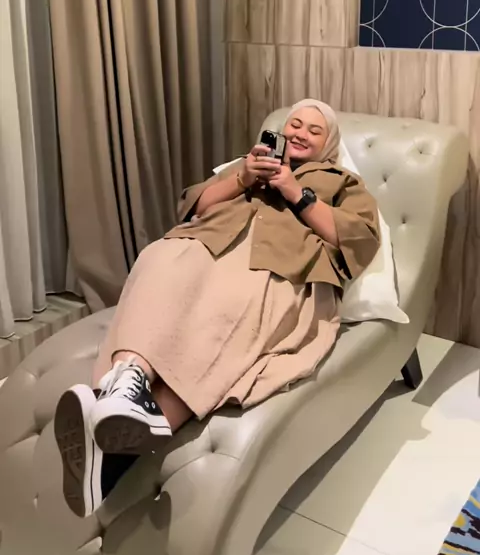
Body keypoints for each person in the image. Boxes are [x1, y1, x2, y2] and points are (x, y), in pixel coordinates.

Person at [54, 99, 380, 517]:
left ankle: (108, 464)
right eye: (295, 124)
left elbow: (357, 239)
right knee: (160, 259)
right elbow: (196, 206)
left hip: (280, 266)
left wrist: (294, 192)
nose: (300, 133)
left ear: (329, 143)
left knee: (227, 316)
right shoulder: (251, 164)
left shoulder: (342, 182)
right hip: (209, 245)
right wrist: (244, 176)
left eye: (314, 131)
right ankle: (129, 384)